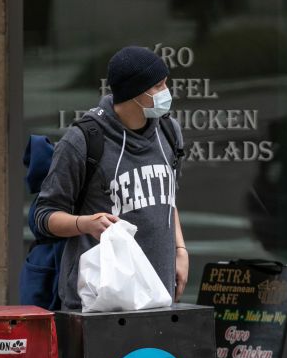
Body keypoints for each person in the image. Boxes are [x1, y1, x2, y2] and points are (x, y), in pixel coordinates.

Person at [34, 45, 187, 310]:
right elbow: (44, 216)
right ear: (134, 94)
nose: (166, 93)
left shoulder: (169, 131)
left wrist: (180, 250)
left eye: (166, 84)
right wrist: (84, 224)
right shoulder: (82, 140)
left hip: (158, 299)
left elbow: (168, 200)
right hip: (99, 305)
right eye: (158, 86)